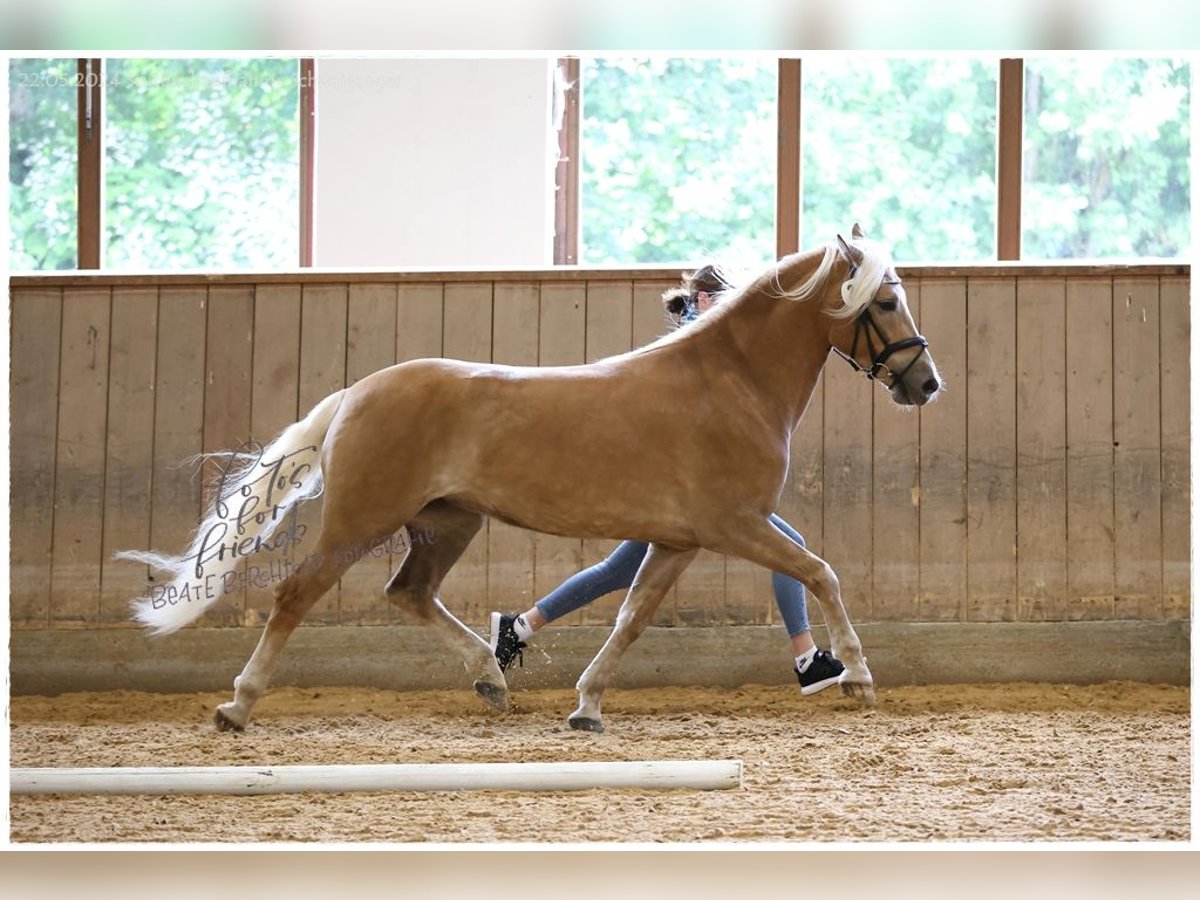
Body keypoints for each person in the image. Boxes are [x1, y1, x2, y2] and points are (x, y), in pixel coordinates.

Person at [489, 264, 845, 696]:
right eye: (722, 298)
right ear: (700, 301)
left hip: (687, 491)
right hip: (682, 492)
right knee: (790, 550)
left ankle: (518, 627)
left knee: (616, 571)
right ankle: (806, 658)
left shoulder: (717, 347)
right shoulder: (699, 344)